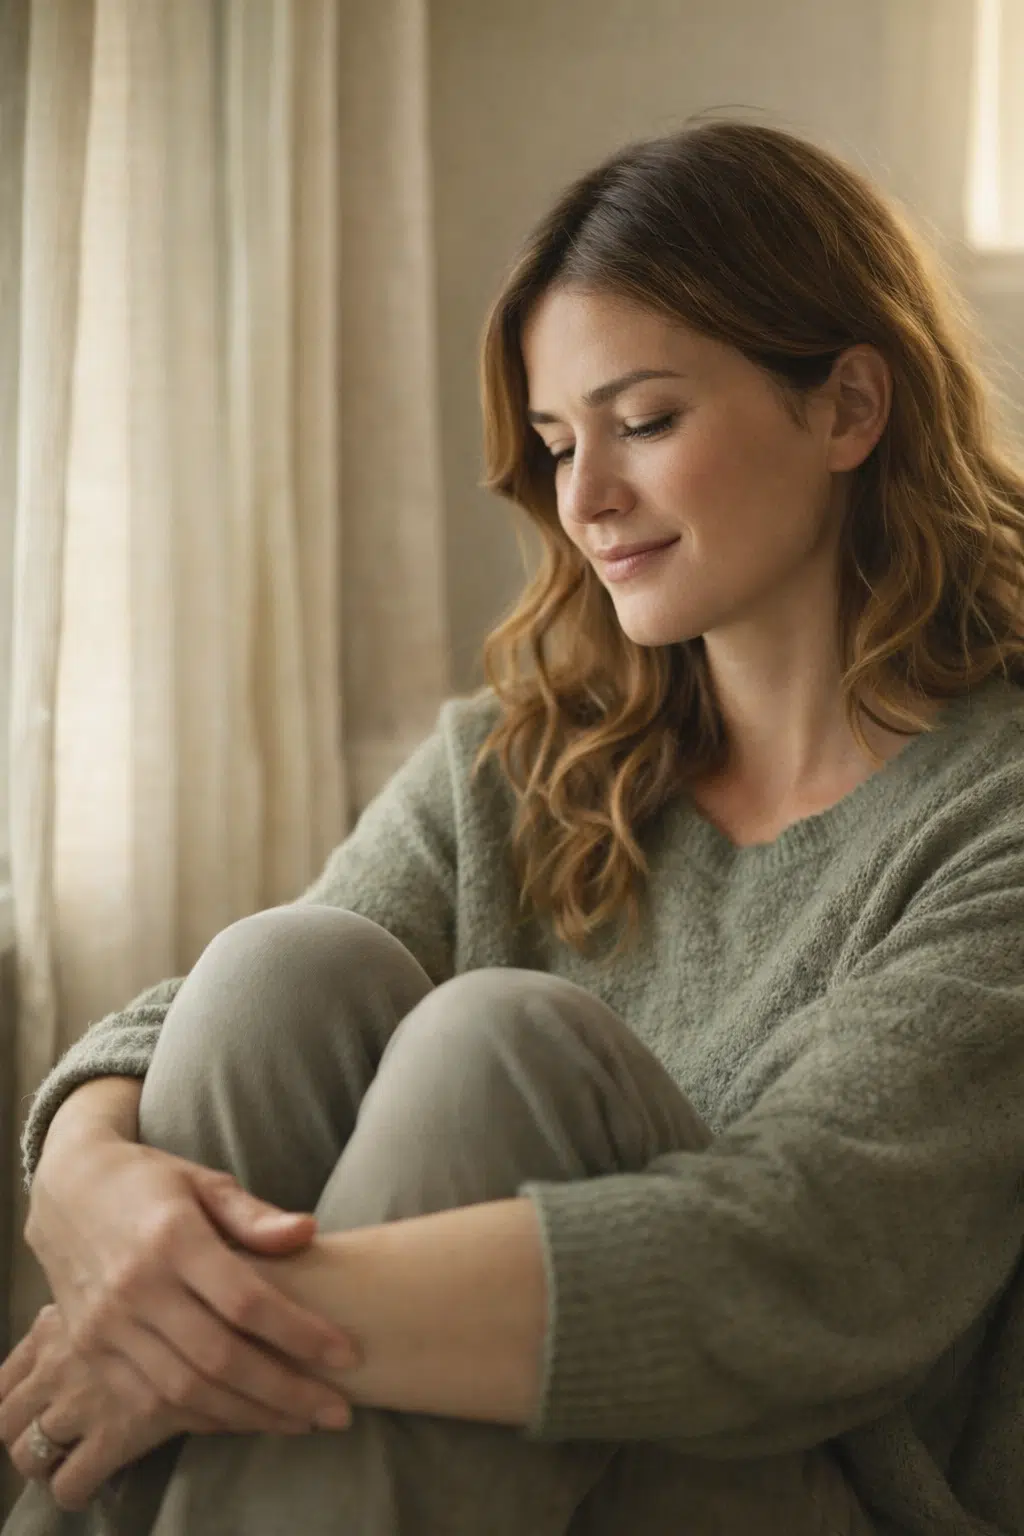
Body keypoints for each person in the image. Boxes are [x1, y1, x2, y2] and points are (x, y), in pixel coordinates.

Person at [1, 114, 1023, 1536]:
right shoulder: (520, 759)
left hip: (808, 1485)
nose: (588, 500)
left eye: (646, 423)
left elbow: (802, 1263)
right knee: (283, 970)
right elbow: (201, 1025)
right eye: (557, 444)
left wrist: (197, 1323)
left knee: (504, 1051)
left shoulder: (998, 821)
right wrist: (89, 1178)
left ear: (850, 408)